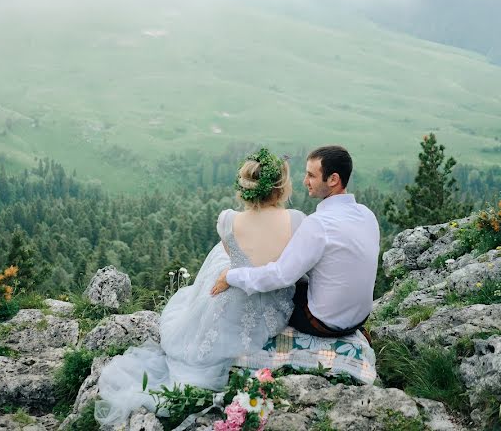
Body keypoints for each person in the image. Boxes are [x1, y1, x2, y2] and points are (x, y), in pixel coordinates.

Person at [94, 148, 306, 427]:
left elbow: (239, 257)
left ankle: (203, 296)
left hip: (231, 299)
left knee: (220, 257)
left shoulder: (229, 220)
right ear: (280, 187)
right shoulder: (297, 219)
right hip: (270, 306)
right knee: (225, 260)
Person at [211, 145, 380, 338]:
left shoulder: (317, 225)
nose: (305, 181)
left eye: (311, 176)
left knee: (279, 291)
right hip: (359, 317)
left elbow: (280, 276)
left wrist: (231, 276)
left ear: (333, 179)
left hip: (325, 323)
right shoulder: (367, 215)